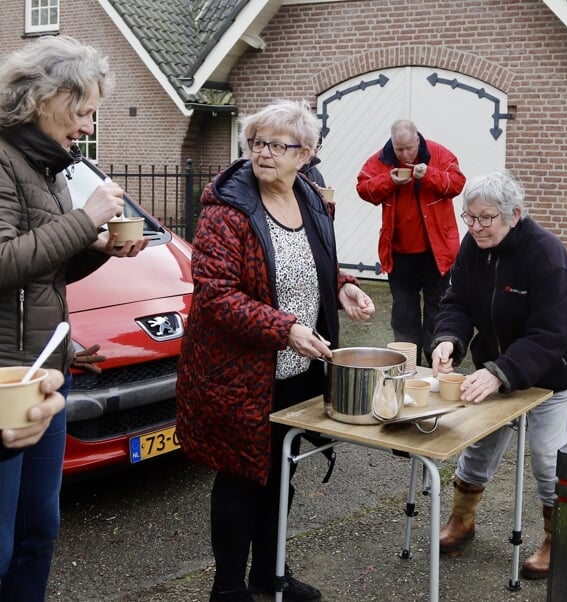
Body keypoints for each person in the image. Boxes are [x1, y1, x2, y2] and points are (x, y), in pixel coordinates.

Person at [176, 100, 375, 602]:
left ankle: (270, 574)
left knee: (280, 473)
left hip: (295, 370)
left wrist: (344, 284)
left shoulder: (308, 196)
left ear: (305, 154)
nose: (263, 154)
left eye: (277, 145)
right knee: (241, 481)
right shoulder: (227, 209)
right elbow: (216, 292)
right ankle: (227, 590)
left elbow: (314, 261)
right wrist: (284, 327)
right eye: (256, 143)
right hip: (238, 374)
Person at [0, 36, 148, 601]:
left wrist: (97, 248)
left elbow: (44, 272)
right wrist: (86, 219)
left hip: (46, 373)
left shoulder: (50, 169)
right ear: (45, 98)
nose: (87, 127)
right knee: (2, 543)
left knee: (40, 532)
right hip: (7, 381)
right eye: (82, 111)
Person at [429, 171, 567, 580]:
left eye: (486, 219)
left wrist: (501, 373)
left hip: (553, 370)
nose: (476, 227)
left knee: (547, 455)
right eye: (469, 217)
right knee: (478, 441)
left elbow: (550, 334)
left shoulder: (547, 255)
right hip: (496, 363)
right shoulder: (473, 246)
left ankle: (561, 539)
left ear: (514, 215)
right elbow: (458, 302)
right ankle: (461, 521)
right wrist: (448, 338)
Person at [356, 119, 465, 364]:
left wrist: (429, 175)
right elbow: (363, 188)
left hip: (435, 252)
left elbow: (457, 183)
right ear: (392, 144)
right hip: (399, 252)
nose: (404, 154)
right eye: (399, 149)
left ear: (418, 140)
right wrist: (390, 180)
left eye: (409, 149)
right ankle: (407, 363)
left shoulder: (439, 154)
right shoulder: (382, 159)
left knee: (438, 308)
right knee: (404, 313)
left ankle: (438, 361)